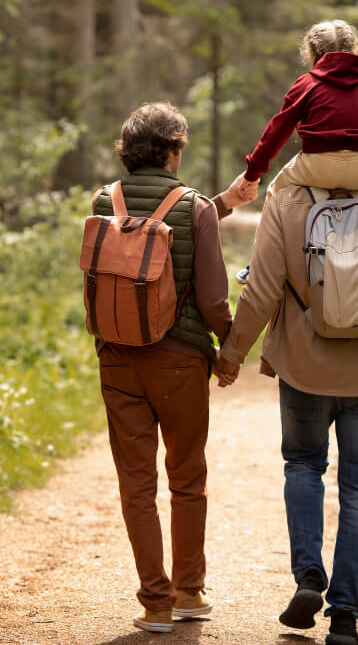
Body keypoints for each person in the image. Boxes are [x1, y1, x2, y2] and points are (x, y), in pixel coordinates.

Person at [213, 182, 358, 645]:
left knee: (302, 465)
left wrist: (232, 353)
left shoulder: (286, 203)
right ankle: (345, 617)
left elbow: (259, 292)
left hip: (303, 367)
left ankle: (308, 579)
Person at [92, 101, 253, 634]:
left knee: (135, 484)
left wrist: (225, 201)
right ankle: (189, 590)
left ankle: (154, 603)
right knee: (186, 479)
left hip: (116, 359)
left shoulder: (103, 200)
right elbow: (212, 298)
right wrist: (228, 350)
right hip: (180, 363)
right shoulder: (194, 206)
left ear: (128, 150)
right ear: (171, 149)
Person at [231, 19, 358, 285]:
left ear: (313, 53)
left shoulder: (307, 83)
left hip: (317, 166)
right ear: (355, 50)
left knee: (275, 193)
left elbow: (277, 132)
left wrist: (252, 174)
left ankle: (257, 266)